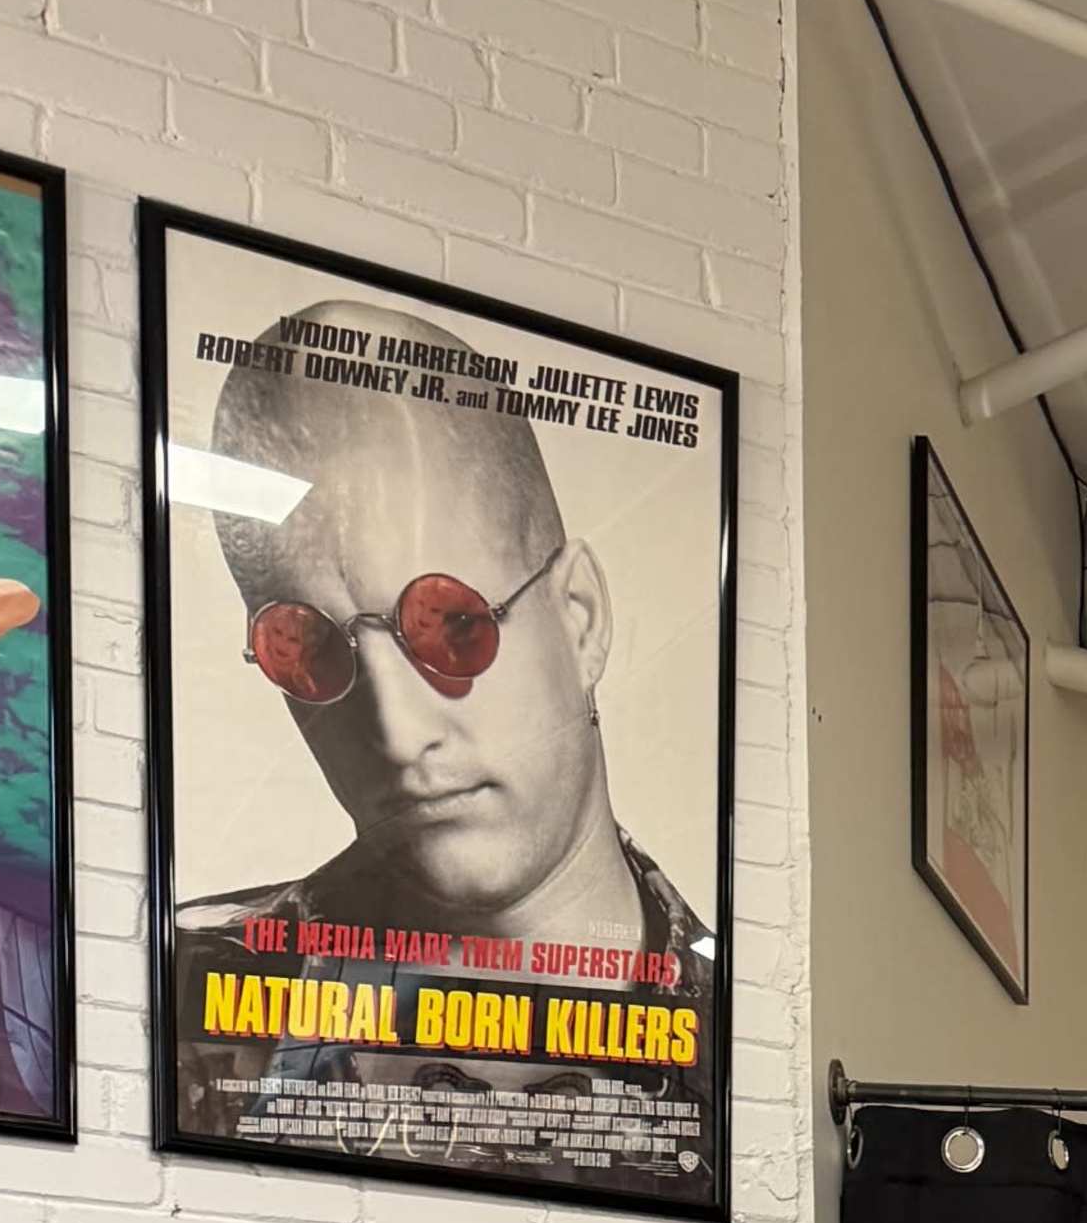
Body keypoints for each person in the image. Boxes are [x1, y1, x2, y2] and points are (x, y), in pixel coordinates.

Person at [169, 298, 709, 1133]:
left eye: (453, 627)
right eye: (305, 650)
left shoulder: (750, 1051)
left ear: (581, 619)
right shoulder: (181, 1005)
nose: (395, 732)